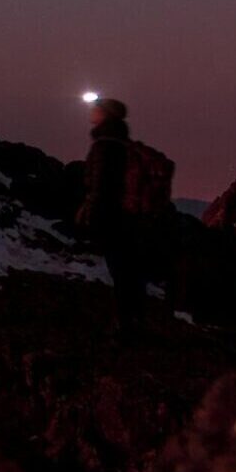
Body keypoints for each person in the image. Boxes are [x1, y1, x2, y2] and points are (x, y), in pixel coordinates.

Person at [74, 97, 169, 338]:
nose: (91, 112)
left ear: (105, 114)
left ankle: (125, 324)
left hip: (113, 215)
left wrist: (90, 212)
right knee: (130, 270)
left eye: (96, 108)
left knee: (121, 270)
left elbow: (100, 183)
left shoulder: (103, 145)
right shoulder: (124, 143)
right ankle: (135, 319)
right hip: (131, 217)